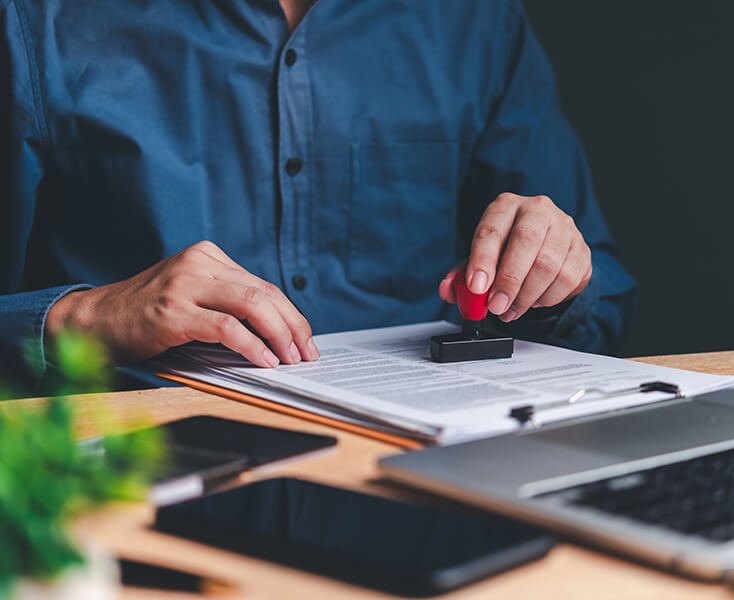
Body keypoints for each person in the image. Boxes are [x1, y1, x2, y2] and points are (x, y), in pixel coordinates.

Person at [0, 0, 636, 389]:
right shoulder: (37, 18)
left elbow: (602, 304)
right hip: (135, 469)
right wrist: (82, 318)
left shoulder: (476, 20)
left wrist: (555, 275)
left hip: (427, 477)